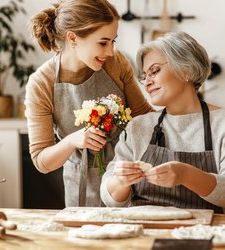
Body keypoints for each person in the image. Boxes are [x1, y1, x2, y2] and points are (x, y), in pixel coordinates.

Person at [25, 0, 153, 207]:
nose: (110, 51)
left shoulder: (115, 63)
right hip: (81, 187)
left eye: (113, 41)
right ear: (73, 38)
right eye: (103, 43)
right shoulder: (41, 83)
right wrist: (72, 141)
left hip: (127, 177)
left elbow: (144, 118)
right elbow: (42, 161)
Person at [100, 31, 225, 213]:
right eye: (144, 76)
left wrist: (186, 175)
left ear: (187, 70)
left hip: (202, 233)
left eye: (155, 71)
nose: (147, 82)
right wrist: (120, 181)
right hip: (141, 231)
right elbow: (109, 198)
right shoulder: (138, 126)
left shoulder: (221, 124)